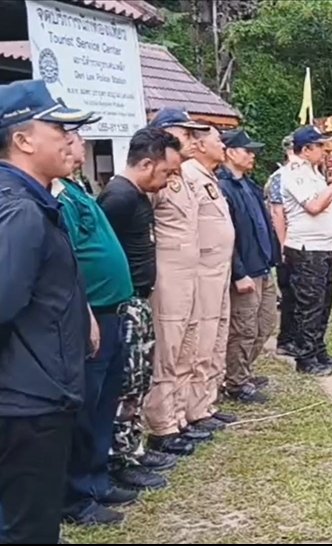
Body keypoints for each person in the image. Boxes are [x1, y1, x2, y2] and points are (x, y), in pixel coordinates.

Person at [0, 79, 96, 543]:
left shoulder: (34, 202)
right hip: (29, 399)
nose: (70, 139)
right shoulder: (19, 211)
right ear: (22, 140)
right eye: (59, 128)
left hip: (35, 390)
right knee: (29, 528)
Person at [56, 133, 140, 525]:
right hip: (92, 314)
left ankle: (98, 478)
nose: (79, 143)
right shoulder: (52, 196)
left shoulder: (74, 188)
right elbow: (68, 260)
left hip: (112, 311)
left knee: (105, 400)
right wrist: (86, 309)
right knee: (86, 407)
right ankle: (77, 495)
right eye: (70, 136)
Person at [97, 126, 184, 491]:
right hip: (123, 304)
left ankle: (133, 446)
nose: (167, 182)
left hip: (138, 300)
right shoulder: (117, 197)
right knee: (126, 385)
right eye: (166, 172)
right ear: (147, 164)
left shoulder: (136, 196)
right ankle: (119, 458)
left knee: (138, 381)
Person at [142, 108, 216, 456]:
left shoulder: (184, 175)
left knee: (188, 347)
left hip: (192, 275)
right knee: (168, 352)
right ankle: (162, 426)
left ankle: (181, 417)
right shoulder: (154, 176)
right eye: (183, 132)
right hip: (168, 276)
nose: (191, 138)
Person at [281, 125, 332, 375]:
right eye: (320, 145)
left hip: (323, 248)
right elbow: (313, 206)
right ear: (306, 149)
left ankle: (318, 350)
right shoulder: (294, 173)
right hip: (307, 249)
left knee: (323, 303)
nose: (324, 150)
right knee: (309, 305)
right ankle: (306, 357)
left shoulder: (313, 172)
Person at [218, 129, 279, 404]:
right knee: (243, 328)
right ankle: (236, 382)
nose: (252, 155)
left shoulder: (249, 185)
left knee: (265, 324)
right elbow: (225, 237)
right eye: (247, 150)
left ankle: (242, 370)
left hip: (263, 266)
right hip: (245, 271)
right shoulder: (223, 187)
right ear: (230, 152)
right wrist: (238, 272)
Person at [180, 124, 234, 433]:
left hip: (219, 269)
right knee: (201, 342)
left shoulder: (207, 176)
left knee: (216, 337)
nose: (223, 145)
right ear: (200, 146)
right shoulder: (189, 175)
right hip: (201, 271)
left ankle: (207, 402)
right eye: (217, 140)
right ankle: (194, 408)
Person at [268, 134, 296, 356]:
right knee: (289, 291)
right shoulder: (280, 177)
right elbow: (278, 213)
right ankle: (286, 339)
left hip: (301, 241)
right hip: (286, 241)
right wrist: (283, 244)